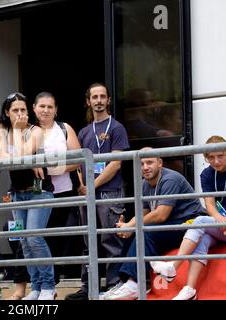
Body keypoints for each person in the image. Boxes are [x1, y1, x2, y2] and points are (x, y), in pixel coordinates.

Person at [102, 149, 206, 300]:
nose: (145, 167)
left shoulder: (170, 179)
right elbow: (144, 212)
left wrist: (132, 225)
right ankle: (125, 282)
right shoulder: (145, 183)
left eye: (149, 162)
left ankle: (135, 284)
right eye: (141, 163)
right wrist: (129, 226)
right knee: (132, 234)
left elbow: (161, 214)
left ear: (160, 163)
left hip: (190, 223)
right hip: (172, 223)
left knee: (146, 232)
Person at [150, 136, 226, 300]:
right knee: (202, 239)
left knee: (199, 221)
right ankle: (190, 290)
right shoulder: (206, 174)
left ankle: (173, 266)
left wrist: (223, 221)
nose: (216, 161)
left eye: (220, 156)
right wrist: (218, 219)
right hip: (220, 223)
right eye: (211, 157)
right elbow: (210, 204)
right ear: (206, 158)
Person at [66, 83, 130, 300]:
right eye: (95, 97)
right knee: (88, 242)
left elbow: (116, 163)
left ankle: (114, 286)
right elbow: (78, 164)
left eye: (103, 96)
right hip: (87, 195)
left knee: (111, 241)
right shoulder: (84, 131)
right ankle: (88, 287)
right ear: (88, 101)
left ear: (108, 100)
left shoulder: (116, 128)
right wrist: (83, 185)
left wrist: (92, 186)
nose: (99, 100)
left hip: (109, 193)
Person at [0, 92, 56, 300]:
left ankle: (49, 286)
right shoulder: (2, 130)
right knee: (24, 241)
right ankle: (36, 288)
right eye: (15, 110)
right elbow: (3, 160)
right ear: (7, 112)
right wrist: (16, 154)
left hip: (39, 191)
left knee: (35, 237)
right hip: (17, 194)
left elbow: (23, 157)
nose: (20, 114)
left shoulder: (35, 130)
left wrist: (20, 133)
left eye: (23, 110)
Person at [32, 92, 82, 281]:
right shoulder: (27, 130)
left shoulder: (64, 128)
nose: (45, 110)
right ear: (34, 108)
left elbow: (78, 159)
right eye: (42, 106)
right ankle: (43, 278)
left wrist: (53, 168)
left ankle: (59, 275)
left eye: (50, 107)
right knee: (38, 235)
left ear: (56, 110)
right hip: (37, 192)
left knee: (60, 233)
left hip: (63, 191)